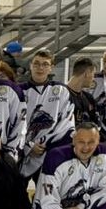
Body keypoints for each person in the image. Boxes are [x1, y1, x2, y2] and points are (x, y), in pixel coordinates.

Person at [19, 51, 76, 179]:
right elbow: (15, 123)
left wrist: (46, 143)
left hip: (50, 151)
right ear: (30, 65)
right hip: (24, 153)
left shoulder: (61, 90)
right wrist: (28, 146)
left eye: (45, 64)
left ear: (51, 67)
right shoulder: (19, 90)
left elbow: (66, 123)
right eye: (36, 63)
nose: (40, 68)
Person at [65, 57, 100, 127]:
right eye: (93, 74)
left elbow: (96, 125)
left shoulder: (89, 98)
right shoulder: (61, 95)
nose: (93, 79)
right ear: (87, 73)